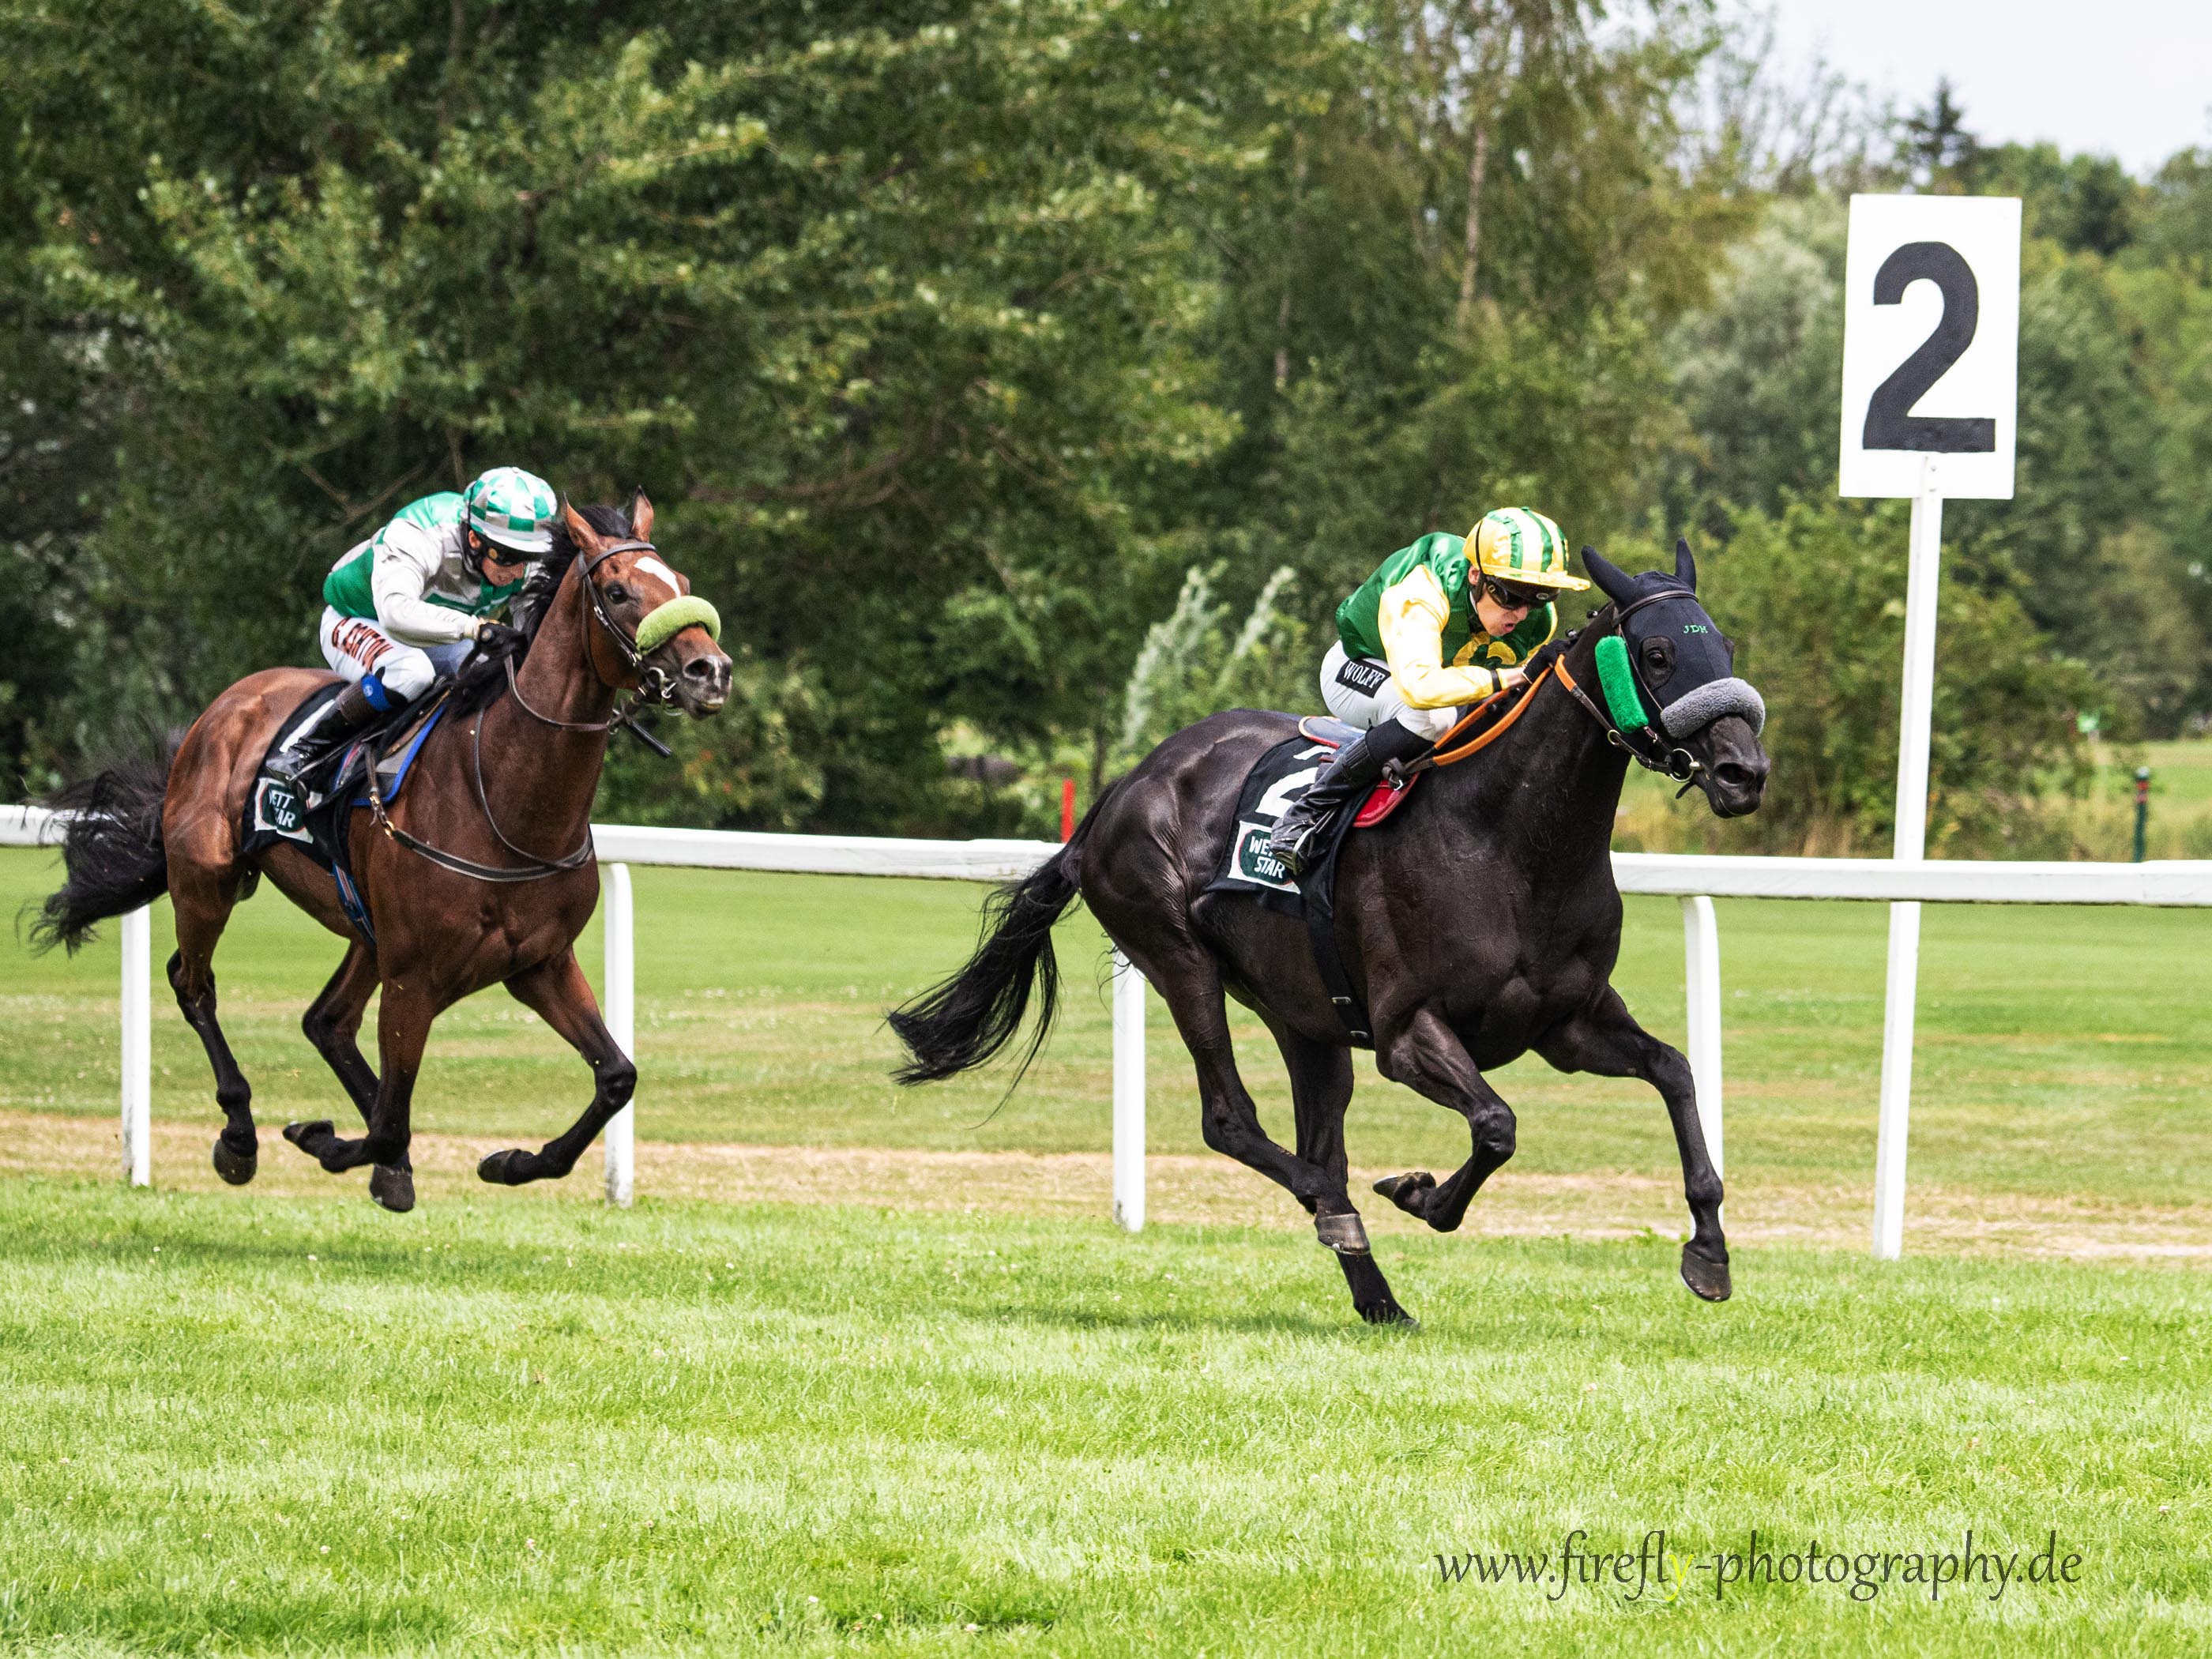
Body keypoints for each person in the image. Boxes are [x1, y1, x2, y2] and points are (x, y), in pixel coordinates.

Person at [1266, 506, 1591, 874]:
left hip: (1440, 680)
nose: (1519, 614)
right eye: (1509, 596)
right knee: (1431, 718)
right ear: (1475, 576)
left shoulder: (1536, 622)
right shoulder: (1423, 591)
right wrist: (1512, 677)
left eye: (1539, 598)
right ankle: (1306, 812)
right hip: (1358, 667)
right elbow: (1420, 688)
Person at [265, 467, 558, 788]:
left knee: (497, 673)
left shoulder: (521, 561)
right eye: (509, 557)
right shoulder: (421, 533)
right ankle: (304, 751)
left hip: (439, 632)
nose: (519, 572)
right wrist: (475, 629)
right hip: (359, 619)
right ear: (474, 538)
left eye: (529, 557)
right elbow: (396, 614)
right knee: (411, 672)